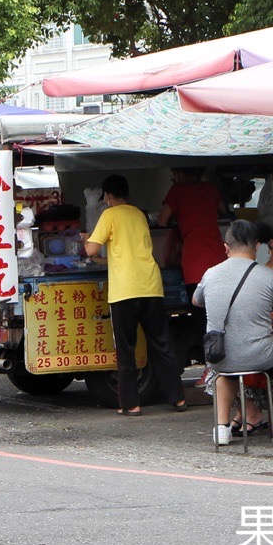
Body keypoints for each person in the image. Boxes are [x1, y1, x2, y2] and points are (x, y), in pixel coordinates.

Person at [195, 219, 273, 446]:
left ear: (226, 247)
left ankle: (221, 429)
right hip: (259, 354)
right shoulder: (269, 277)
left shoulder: (210, 274)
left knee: (225, 372)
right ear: (257, 247)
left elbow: (196, 300)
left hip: (218, 355)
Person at [84, 174, 188, 416]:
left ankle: (131, 404)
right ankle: (178, 398)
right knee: (161, 344)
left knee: (126, 349)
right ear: (127, 194)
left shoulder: (109, 214)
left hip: (125, 291)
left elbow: (91, 249)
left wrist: (85, 239)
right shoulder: (139, 214)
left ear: (107, 197)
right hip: (151, 286)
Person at [157, 167, 226, 363]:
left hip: (195, 262)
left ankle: (209, 362)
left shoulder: (177, 191)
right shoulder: (211, 189)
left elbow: (162, 220)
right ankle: (221, 360)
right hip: (218, 258)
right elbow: (222, 210)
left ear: (179, 174)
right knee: (221, 313)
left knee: (200, 316)